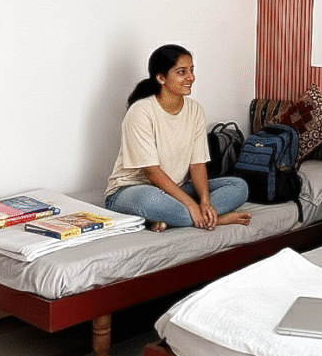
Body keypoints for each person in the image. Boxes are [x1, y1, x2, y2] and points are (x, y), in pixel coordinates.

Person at [104, 44, 250, 231]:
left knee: (238, 186)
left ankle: (176, 217)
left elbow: (197, 164)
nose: (191, 77)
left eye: (191, 70)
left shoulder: (195, 110)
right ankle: (216, 219)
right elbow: (152, 173)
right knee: (152, 199)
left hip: (176, 191)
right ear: (161, 78)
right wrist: (190, 204)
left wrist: (205, 202)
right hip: (131, 190)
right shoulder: (140, 112)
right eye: (182, 72)